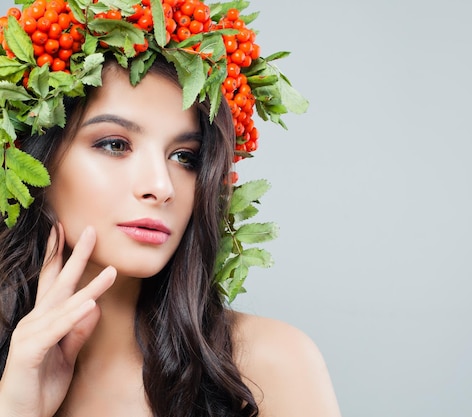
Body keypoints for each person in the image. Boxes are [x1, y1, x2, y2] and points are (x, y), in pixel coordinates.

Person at [0, 1, 341, 416]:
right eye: (115, 145)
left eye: (185, 157)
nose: (161, 188)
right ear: (27, 157)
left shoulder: (270, 364)